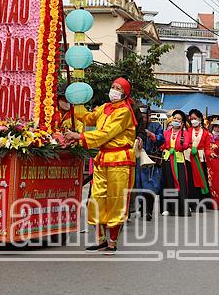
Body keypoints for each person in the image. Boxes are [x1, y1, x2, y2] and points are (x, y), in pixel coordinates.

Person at [64, 77, 137, 254]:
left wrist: (79, 137)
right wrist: (76, 103)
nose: (114, 90)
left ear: (125, 93)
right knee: (97, 199)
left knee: (116, 200)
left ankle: (112, 242)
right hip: (103, 159)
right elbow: (88, 118)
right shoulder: (105, 107)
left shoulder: (124, 112)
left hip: (120, 160)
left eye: (118, 88)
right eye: (113, 87)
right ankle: (101, 240)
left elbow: (106, 133)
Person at [133, 111, 164, 220]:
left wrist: (152, 135)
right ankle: (141, 208)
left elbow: (161, 140)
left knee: (150, 186)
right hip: (138, 160)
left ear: (149, 115)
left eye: (144, 116)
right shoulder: (137, 126)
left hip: (151, 161)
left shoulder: (156, 126)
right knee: (139, 186)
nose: (143, 119)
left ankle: (148, 211)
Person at [160, 110, 192, 217]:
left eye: (179, 119)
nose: (176, 120)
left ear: (182, 122)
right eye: (175, 118)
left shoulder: (185, 133)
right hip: (168, 160)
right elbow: (162, 145)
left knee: (180, 184)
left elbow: (185, 146)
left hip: (178, 161)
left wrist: (180, 144)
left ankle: (182, 209)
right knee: (169, 184)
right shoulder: (166, 133)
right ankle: (170, 208)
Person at [186, 110, 211, 211]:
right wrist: (191, 147)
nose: (193, 121)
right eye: (191, 119)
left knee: (200, 180)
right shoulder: (188, 131)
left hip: (200, 159)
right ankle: (191, 203)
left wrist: (211, 155)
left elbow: (207, 148)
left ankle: (201, 204)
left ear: (200, 119)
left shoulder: (206, 133)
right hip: (189, 157)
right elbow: (186, 143)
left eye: (195, 118)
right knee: (191, 181)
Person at [206, 117, 219, 209]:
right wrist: (209, 153)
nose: (217, 129)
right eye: (216, 127)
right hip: (207, 163)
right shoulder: (207, 138)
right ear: (212, 127)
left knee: (215, 183)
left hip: (216, 165)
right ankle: (207, 202)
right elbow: (205, 149)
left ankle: (215, 203)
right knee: (207, 182)